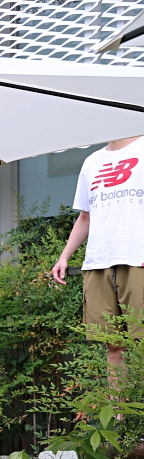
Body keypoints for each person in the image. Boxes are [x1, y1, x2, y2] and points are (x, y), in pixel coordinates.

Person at [52, 135, 144, 369]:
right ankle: (117, 407)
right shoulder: (92, 161)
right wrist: (64, 256)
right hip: (99, 262)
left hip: (138, 258)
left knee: (141, 342)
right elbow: (86, 216)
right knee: (113, 346)